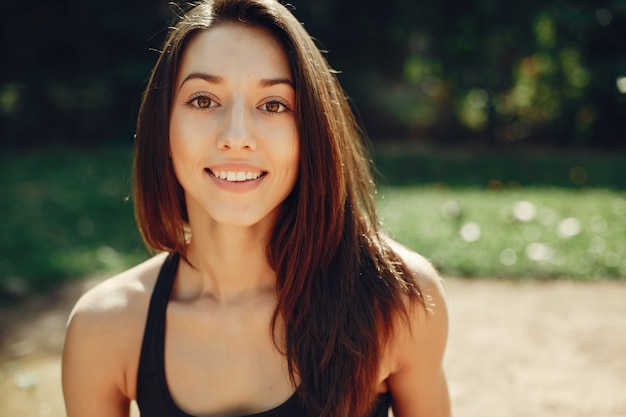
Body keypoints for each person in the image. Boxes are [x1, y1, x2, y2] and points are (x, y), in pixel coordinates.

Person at [61, 0, 451, 416]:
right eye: (203, 100)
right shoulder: (104, 328)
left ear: (311, 131)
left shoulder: (397, 299)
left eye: (273, 105)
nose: (236, 136)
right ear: (162, 126)